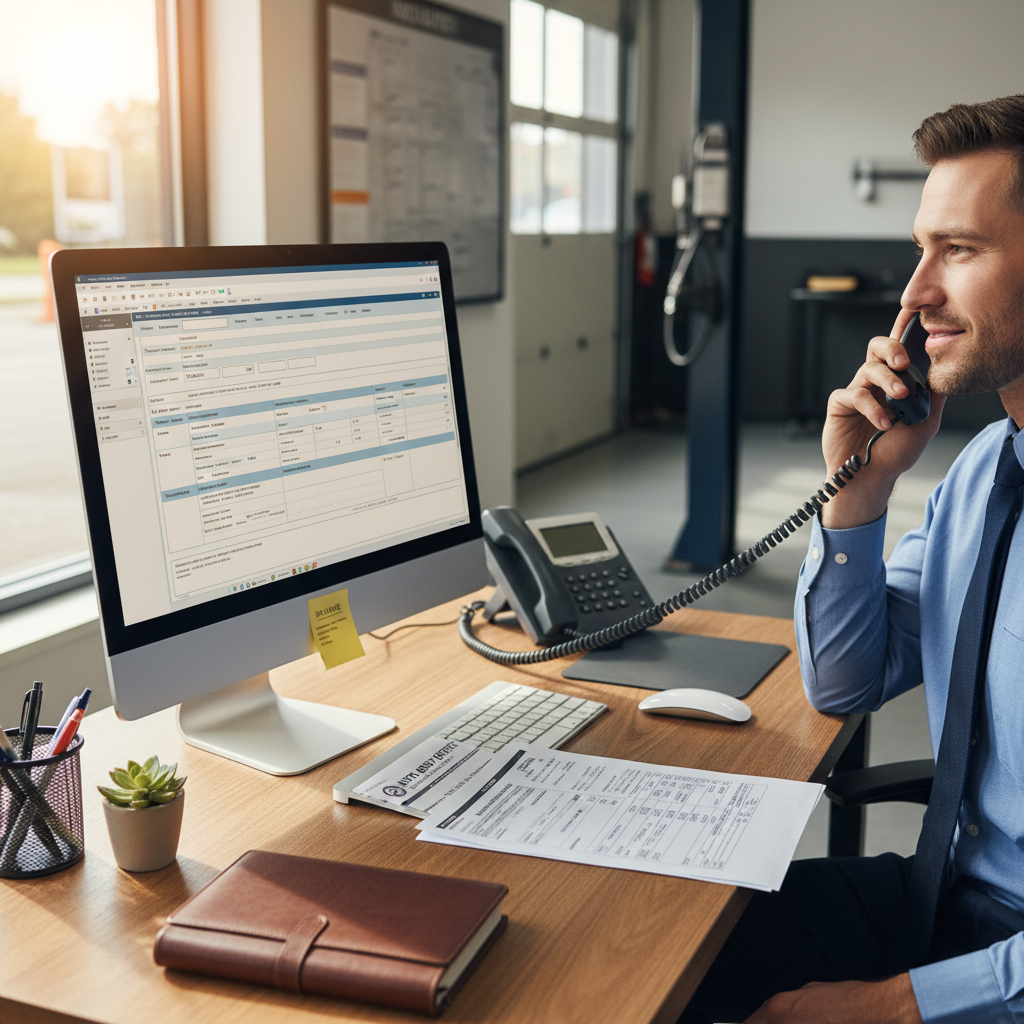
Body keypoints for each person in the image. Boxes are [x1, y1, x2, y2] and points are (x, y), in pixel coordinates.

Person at [681, 94, 1024, 1024]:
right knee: (665, 947)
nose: (913, 294)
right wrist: (857, 496)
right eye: (922, 250)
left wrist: (898, 1005)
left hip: (1010, 958)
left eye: (958, 250)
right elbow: (845, 681)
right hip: (941, 895)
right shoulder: (985, 473)